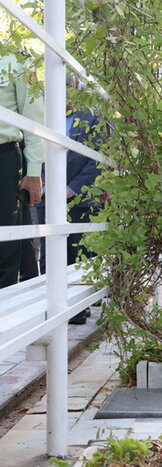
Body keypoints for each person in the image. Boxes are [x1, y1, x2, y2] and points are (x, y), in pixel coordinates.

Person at [37, 73, 103, 324]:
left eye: (68, 89)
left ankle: (78, 307)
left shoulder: (92, 117)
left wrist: (72, 189)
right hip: (47, 196)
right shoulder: (41, 115)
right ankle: (55, 307)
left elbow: (96, 160)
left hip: (81, 199)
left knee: (78, 253)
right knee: (50, 254)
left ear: (76, 89)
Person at [0, 53, 44, 289]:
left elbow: (34, 117)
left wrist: (34, 171)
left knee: (5, 243)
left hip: (3, 157)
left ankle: (2, 315)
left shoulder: (17, 58)